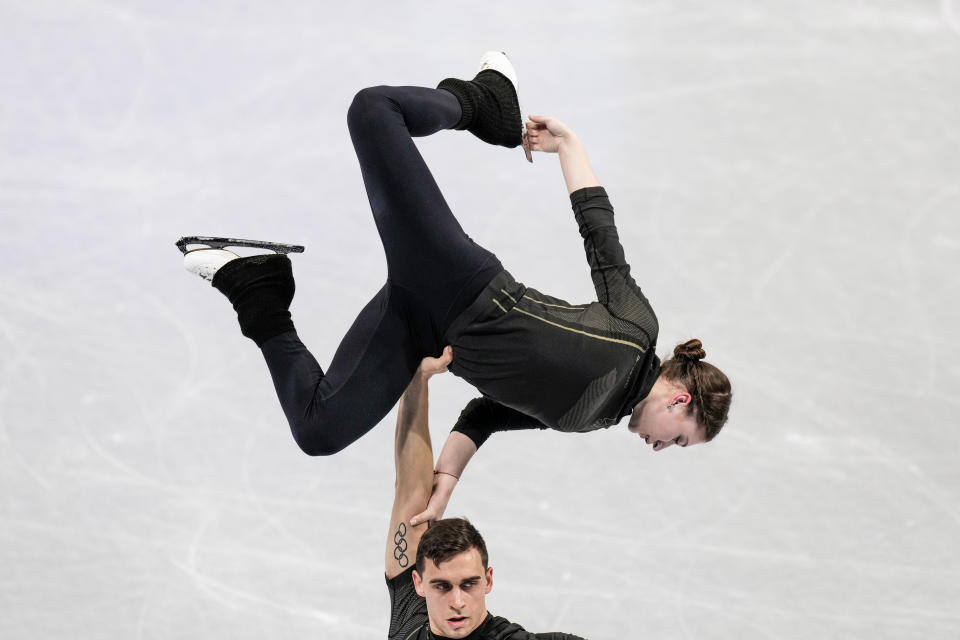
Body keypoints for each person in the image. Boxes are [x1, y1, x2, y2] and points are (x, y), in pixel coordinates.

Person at [176, 52, 733, 512]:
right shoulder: (635, 335)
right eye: (679, 437)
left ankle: (257, 283)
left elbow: (485, 412)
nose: (664, 447)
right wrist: (570, 147)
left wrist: (448, 479)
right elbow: (601, 239)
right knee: (375, 111)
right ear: (680, 399)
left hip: (425, 334)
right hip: (458, 284)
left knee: (318, 431)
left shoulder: (593, 419)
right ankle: (481, 101)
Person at [386, 346, 586, 640]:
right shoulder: (409, 619)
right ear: (418, 583)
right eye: (442, 586)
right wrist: (418, 378)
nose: (457, 603)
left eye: (469, 584)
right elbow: (409, 487)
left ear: (488, 580)